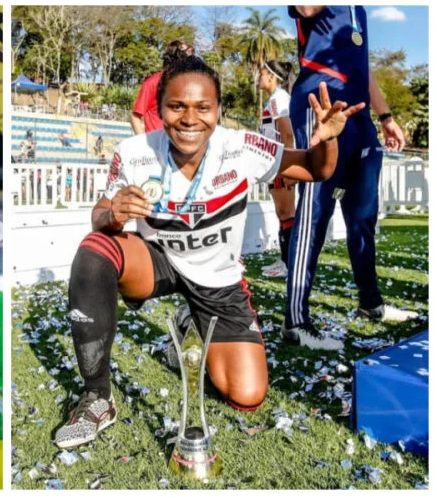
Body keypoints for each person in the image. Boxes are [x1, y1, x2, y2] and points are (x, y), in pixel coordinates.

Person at [54, 56, 364, 449]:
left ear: (218, 110)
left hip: (217, 281)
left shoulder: (241, 146)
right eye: (176, 106)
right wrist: (112, 213)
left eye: (203, 107)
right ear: (160, 108)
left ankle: (189, 326)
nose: (189, 119)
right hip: (158, 262)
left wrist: (328, 139)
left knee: (246, 395)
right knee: (95, 250)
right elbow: (99, 215)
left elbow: (314, 170)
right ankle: (97, 399)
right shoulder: (133, 152)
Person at [283, 6, 417, 351]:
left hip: (359, 117)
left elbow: (363, 65)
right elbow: (306, 7)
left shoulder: (358, 8)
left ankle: (370, 303)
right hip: (322, 107)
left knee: (363, 214)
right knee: (315, 212)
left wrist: (386, 116)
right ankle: (296, 320)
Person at [257, 60, 297, 278]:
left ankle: (290, 264)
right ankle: (286, 261)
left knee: (286, 213)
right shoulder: (274, 99)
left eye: (262, 73)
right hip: (276, 162)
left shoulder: (278, 98)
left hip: (281, 162)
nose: (259, 77)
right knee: (283, 213)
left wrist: (287, 167)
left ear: (272, 76)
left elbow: (288, 133)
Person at [130, 40, 194, 134]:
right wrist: (143, 145)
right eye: (188, 55)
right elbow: (135, 116)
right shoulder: (152, 83)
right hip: (156, 146)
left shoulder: (190, 85)